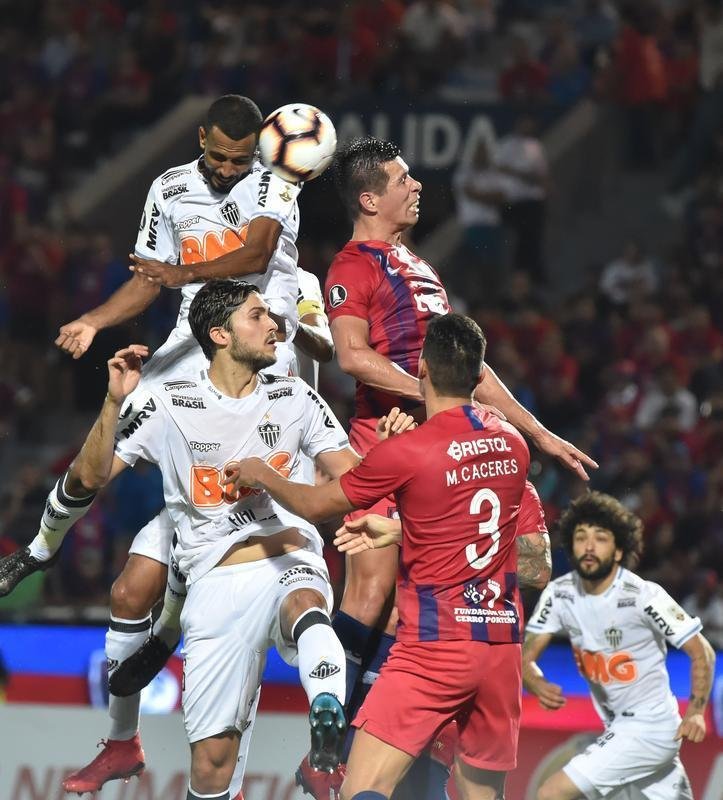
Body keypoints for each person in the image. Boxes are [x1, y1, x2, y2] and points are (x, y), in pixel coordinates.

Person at [0, 94, 305, 794]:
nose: (227, 169)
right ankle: (40, 551)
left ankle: (200, 636)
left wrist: (184, 275)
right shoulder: (169, 188)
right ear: (199, 138)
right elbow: (147, 282)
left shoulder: (275, 182)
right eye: (217, 155)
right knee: (97, 469)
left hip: (258, 362)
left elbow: (256, 251)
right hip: (189, 353)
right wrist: (93, 319)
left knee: (195, 558)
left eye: (239, 158)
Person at [319, 136, 595, 797]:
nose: (417, 185)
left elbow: (465, 370)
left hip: (444, 448)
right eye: (403, 179)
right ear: (369, 199)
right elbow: (351, 357)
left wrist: (538, 432)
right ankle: (325, 746)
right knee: (372, 589)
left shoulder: (419, 266)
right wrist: (433, 398)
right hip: (386, 439)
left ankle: (409, 751)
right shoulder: (351, 266)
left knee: (419, 608)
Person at [62, 278, 412, 800]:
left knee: (304, 601)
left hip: (287, 553)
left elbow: (355, 479)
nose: (275, 325)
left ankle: (326, 714)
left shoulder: (296, 396)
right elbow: (89, 479)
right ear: (220, 335)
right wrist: (113, 405)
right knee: (211, 766)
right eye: (257, 316)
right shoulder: (168, 403)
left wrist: (388, 454)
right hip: (213, 583)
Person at [225, 313, 553, 800]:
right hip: (500, 648)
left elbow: (316, 505)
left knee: (361, 786)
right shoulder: (512, 445)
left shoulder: (408, 451)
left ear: (421, 369)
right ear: (480, 376)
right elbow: (532, 563)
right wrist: (405, 530)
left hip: (434, 646)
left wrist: (262, 473)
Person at [523, 491, 715, 800]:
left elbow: (701, 650)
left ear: (618, 551)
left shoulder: (643, 596)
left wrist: (695, 712)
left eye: (600, 538)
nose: (589, 546)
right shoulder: (559, 594)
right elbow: (526, 656)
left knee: (551, 793)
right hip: (623, 726)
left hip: (649, 727)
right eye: (581, 537)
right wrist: (535, 680)